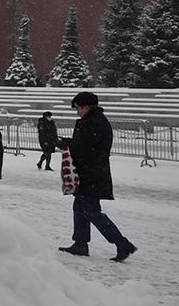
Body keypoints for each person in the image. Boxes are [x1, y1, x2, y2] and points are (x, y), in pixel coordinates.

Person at [57, 91, 137, 262]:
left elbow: (83, 149)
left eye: (78, 108)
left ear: (86, 107)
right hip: (93, 172)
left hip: (90, 174)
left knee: (91, 212)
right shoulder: (96, 120)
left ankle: (122, 244)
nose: (77, 111)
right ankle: (80, 243)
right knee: (80, 208)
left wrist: (66, 144)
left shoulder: (92, 123)